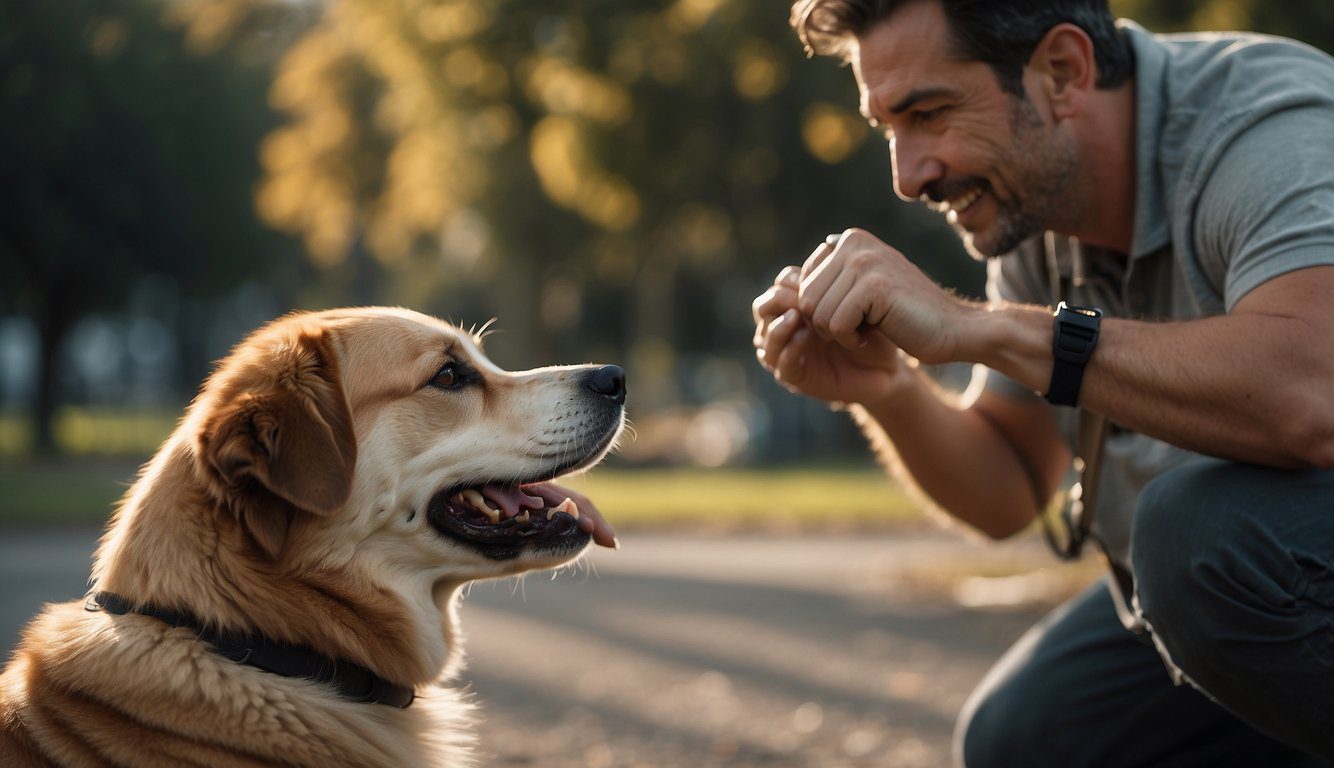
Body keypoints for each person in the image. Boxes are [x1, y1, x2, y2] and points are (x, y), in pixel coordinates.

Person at [751, 0, 1334, 765]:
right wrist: (886, 389)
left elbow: (1312, 393)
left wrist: (983, 330)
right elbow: (1009, 486)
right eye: (887, 127)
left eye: (928, 112)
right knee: (1027, 737)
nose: (908, 175)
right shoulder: (1038, 208)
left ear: (1061, 71)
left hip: (1249, 562)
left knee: (1194, 537)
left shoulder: (1270, 128)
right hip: (1249, 593)